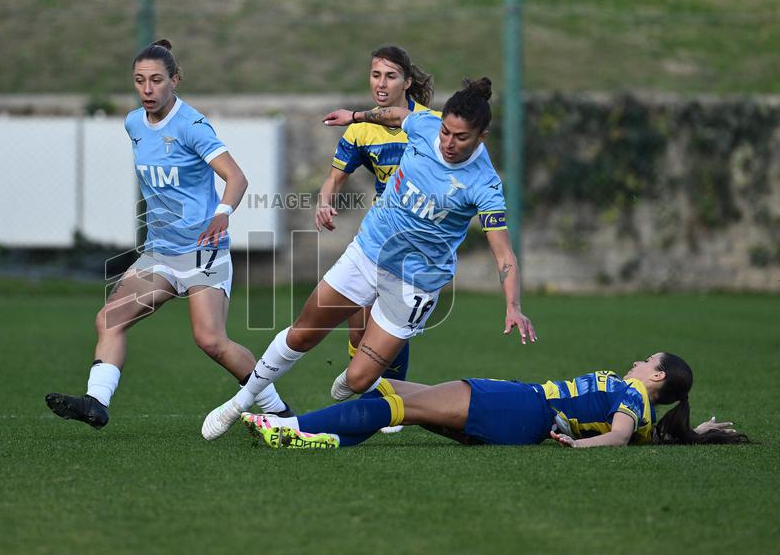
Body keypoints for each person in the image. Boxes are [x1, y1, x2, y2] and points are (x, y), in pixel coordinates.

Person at [202, 77, 536, 440]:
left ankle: (365, 384)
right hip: (369, 251)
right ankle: (240, 401)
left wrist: (513, 306)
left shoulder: (484, 184)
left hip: (415, 283)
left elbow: (504, 253)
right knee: (303, 333)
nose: (448, 143)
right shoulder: (424, 125)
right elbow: (396, 115)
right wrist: (356, 116)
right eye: (445, 132)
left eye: (461, 137)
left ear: (481, 137)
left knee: (359, 380)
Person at [46, 39, 292, 429]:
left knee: (211, 341)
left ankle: (280, 412)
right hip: (160, 252)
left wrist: (222, 214)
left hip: (203, 251)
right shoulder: (133, 124)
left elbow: (236, 177)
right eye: (139, 80)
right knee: (110, 320)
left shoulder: (192, 126)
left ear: (175, 80)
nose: (147, 89)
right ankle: (96, 403)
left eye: (157, 80)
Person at [240, 352, 749, 449]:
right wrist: (695, 433)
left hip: (522, 410)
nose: (638, 360)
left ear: (657, 375)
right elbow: (637, 433)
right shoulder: (644, 413)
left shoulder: (635, 395)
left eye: (648, 360)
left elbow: (618, 435)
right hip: (521, 409)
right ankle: (325, 439)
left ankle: (291, 427)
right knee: (395, 392)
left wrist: (578, 445)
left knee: (400, 405)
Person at [315, 46, 437, 409]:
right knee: (359, 327)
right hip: (380, 232)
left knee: (392, 320)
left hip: (420, 238)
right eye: (375, 75)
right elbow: (334, 178)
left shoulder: (430, 125)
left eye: (390, 76)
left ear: (407, 82)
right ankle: (372, 386)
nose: (381, 84)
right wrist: (325, 202)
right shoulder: (361, 130)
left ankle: (390, 400)